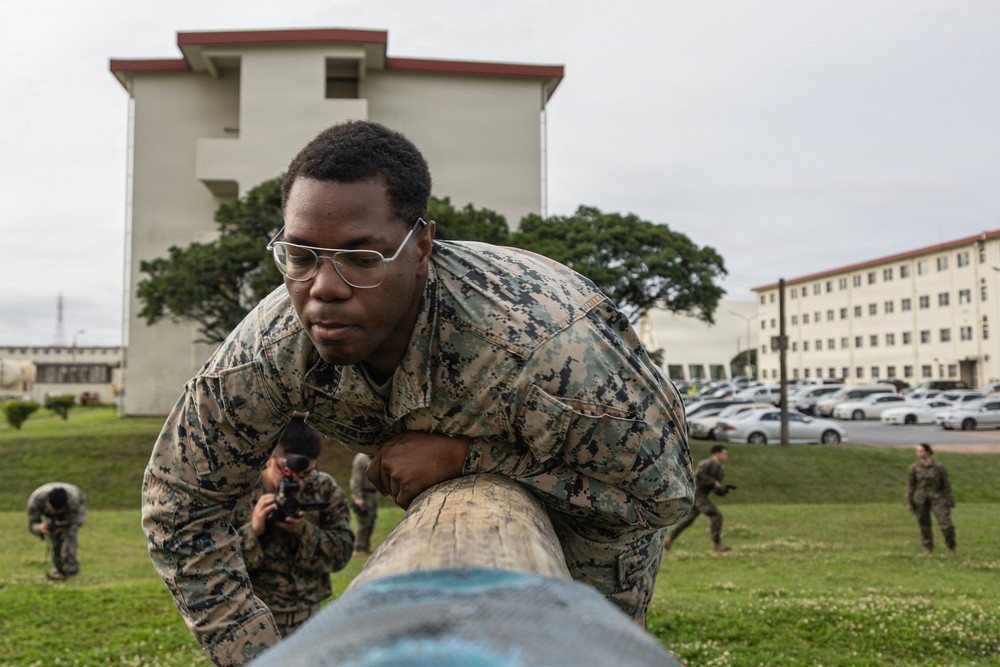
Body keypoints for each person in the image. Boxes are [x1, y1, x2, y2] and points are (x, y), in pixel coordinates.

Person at [142, 119, 693, 666]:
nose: (324, 289)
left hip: (592, 562)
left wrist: (469, 458)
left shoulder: (549, 349)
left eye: (362, 258)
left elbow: (659, 495)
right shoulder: (272, 349)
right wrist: (260, 656)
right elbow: (180, 502)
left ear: (422, 244)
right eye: (301, 255)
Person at [230, 416, 354, 637]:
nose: (298, 483)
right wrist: (254, 530)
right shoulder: (238, 493)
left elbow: (342, 554)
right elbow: (217, 565)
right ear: (268, 457)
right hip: (253, 622)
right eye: (288, 472)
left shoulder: (323, 489)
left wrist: (304, 531)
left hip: (309, 621)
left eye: (306, 474)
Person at [663, 445, 731, 554]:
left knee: (687, 520)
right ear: (717, 454)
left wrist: (722, 491)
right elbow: (698, 475)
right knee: (716, 516)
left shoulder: (721, 470)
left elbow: (714, 488)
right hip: (697, 494)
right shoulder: (706, 464)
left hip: (703, 495)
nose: (726, 456)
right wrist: (713, 482)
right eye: (724, 453)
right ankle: (716, 545)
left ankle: (668, 540)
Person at [27, 482, 86, 580]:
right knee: (54, 540)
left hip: (75, 503)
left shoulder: (74, 501)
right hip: (47, 502)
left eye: (59, 511)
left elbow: (75, 521)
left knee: (69, 536)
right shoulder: (35, 501)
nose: (56, 512)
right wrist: (39, 528)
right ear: (47, 502)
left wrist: (62, 525)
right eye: (53, 510)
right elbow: (31, 524)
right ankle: (59, 568)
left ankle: (70, 569)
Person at [905, 443, 956, 555]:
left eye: (921, 451)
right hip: (920, 498)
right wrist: (908, 501)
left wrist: (950, 501)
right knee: (924, 525)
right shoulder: (914, 467)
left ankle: (951, 547)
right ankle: (928, 548)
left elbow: (946, 485)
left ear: (928, 452)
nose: (919, 453)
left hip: (937, 497)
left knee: (946, 524)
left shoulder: (938, 467)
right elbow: (911, 485)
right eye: (917, 451)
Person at [349, 452, 378, 557]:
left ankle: (365, 547)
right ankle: (358, 548)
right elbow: (356, 479)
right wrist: (358, 497)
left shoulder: (373, 457)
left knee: (371, 520)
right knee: (363, 521)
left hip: (372, 493)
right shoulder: (361, 459)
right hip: (364, 494)